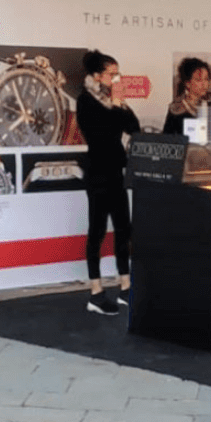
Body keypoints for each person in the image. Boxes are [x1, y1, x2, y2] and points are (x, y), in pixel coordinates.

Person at [75, 49, 139, 315]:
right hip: (98, 173)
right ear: (97, 75)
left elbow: (133, 126)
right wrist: (115, 106)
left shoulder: (114, 99)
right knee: (98, 231)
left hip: (116, 172)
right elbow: (101, 133)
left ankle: (125, 286)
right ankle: (96, 292)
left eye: (118, 74)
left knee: (124, 229)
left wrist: (119, 104)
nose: (116, 79)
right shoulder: (85, 100)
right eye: (112, 74)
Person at [162, 57, 211, 136]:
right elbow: (167, 138)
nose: (204, 84)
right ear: (187, 83)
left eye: (206, 79)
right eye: (199, 80)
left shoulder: (209, 104)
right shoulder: (176, 109)